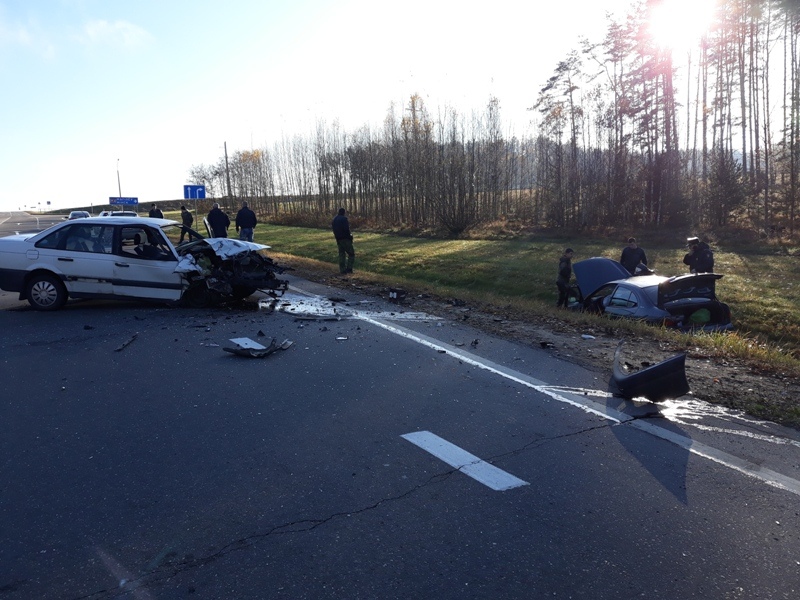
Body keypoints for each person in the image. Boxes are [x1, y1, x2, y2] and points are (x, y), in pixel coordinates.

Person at [331, 207, 355, 274]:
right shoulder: (344, 219)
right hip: (345, 239)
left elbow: (333, 230)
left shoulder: (334, 219)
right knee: (351, 254)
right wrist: (350, 237)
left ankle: (342, 270)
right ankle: (349, 269)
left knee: (341, 254)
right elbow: (346, 229)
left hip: (338, 239)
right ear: (344, 212)